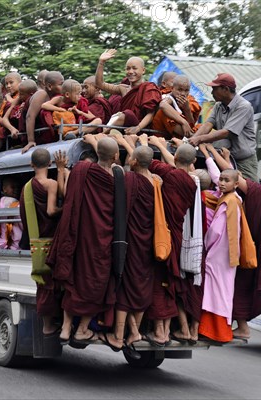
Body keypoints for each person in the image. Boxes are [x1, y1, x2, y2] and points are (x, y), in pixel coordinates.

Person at [47, 137, 118, 346]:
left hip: (78, 237)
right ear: (115, 156)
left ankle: (66, 328)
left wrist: (61, 171)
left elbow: (69, 197)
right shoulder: (116, 178)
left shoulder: (80, 170)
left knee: (74, 284)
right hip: (101, 241)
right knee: (96, 285)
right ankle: (82, 330)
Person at [104, 138, 156, 353]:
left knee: (125, 287)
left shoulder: (129, 179)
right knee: (141, 287)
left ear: (133, 161)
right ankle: (134, 332)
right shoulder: (156, 182)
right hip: (149, 241)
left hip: (131, 242)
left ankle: (118, 334)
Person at [146, 138, 199, 345]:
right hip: (177, 237)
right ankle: (168, 329)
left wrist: (143, 143)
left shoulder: (170, 174)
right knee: (169, 283)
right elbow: (175, 164)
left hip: (162, 236)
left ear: (176, 158)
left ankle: (160, 332)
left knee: (159, 283)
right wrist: (161, 146)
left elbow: (148, 162)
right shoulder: (191, 180)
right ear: (193, 162)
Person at [197, 169, 254, 343]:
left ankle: (215, 330)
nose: (221, 183)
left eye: (226, 180)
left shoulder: (228, 202)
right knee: (222, 291)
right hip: (228, 253)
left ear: (236, 184)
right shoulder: (234, 199)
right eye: (220, 179)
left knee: (216, 290)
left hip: (219, 253)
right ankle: (218, 330)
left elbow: (215, 230)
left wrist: (206, 243)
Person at [19, 148, 62, 335]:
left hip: (36, 240)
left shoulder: (27, 187)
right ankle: (49, 325)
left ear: (31, 165)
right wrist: (66, 208)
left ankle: (48, 323)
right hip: (52, 239)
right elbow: (51, 211)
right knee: (54, 282)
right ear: (50, 164)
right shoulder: (51, 184)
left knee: (43, 283)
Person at [188, 73, 258, 181]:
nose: (211, 92)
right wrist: (192, 142)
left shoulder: (243, 106)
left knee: (247, 192)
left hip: (243, 161)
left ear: (225, 89)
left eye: (214, 89)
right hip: (224, 158)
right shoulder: (218, 106)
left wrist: (199, 139)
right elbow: (207, 125)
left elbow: (227, 132)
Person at [232, 165, 261, 340]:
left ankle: (242, 328)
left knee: (241, 287)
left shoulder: (260, 192)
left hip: (251, 250)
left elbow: (231, 178)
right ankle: (242, 327)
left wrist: (208, 152)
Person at [95, 49, 162, 135]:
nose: (130, 72)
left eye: (134, 68)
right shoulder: (123, 89)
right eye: (128, 68)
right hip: (124, 127)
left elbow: (151, 114)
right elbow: (99, 84)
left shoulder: (148, 88)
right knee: (126, 114)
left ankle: (103, 133)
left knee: (127, 114)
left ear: (143, 70)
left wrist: (138, 128)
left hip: (141, 129)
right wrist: (101, 62)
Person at [22, 71, 64, 153]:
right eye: (60, 84)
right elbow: (30, 117)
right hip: (33, 135)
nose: (63, 87)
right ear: (49, 86)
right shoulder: (41, 94)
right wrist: (30, 141)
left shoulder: (55, 97)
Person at [152, 75, 201, 139]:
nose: (183, 93)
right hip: (162, 136)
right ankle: (194, 137)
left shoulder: (188, 100)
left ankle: (194, 136)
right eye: (180, 90)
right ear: (172, 88)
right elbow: (163, 105)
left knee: (204, 126)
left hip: (182, 135)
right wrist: (183, 122)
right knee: (164, 112)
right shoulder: (168, 97)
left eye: (186, 90)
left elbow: (191, 125)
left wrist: (187, 109)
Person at [0, 178, 22, 250]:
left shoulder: (0, 202)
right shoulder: (15, 204)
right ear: (4, 189)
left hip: (2, 242)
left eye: (17, 187)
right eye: (13, 187)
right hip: (15, 243)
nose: (16, 189)